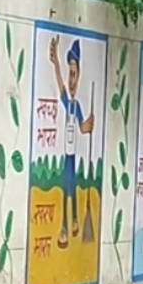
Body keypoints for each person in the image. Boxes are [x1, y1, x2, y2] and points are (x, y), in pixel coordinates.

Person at [50, 35, 96, 248]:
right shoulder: (68, 104)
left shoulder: (76, 108)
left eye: (74, 75)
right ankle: (71, 222)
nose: (70, 80)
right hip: (66, 155)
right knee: (68, 185)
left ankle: (68, 225)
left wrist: (90, 123)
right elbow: (59, 83)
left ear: (79, 77)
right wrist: (55, 62)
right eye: (70, 74)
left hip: (72, 155)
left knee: (70, 185)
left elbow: (83, 128)